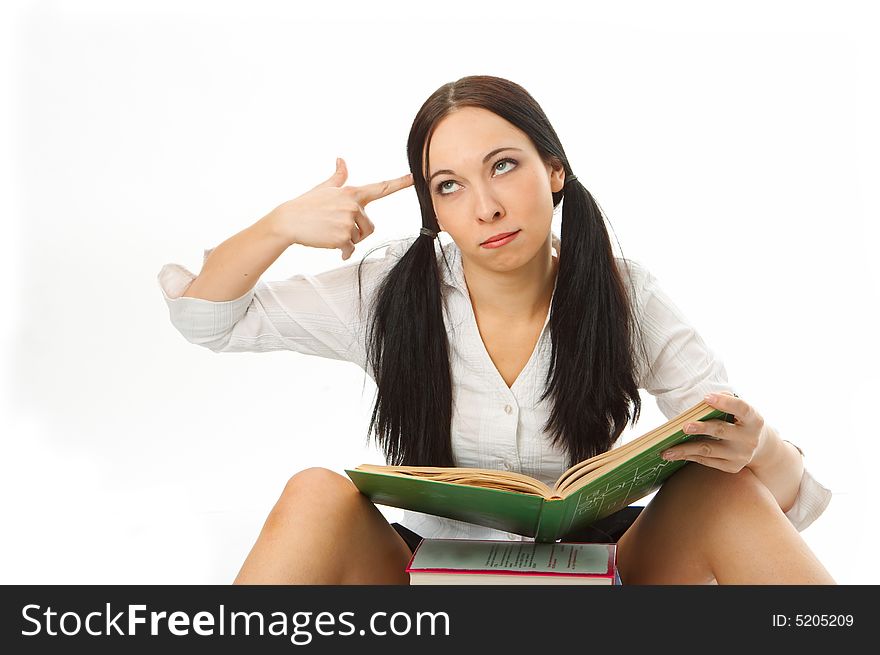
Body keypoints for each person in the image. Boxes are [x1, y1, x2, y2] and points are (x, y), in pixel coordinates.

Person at [158, 75, 834, 585]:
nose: (485, 207)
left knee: (720, 480)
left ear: (554, 169)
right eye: (449, 186)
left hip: (599, 576)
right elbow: (209, 318)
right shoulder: (389, 290)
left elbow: (777, 502)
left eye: (504, 165)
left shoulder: (623, 292)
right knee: (316, 490)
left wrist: (758, 442)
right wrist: (281, 225)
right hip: (431, 585)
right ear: (433, 210)